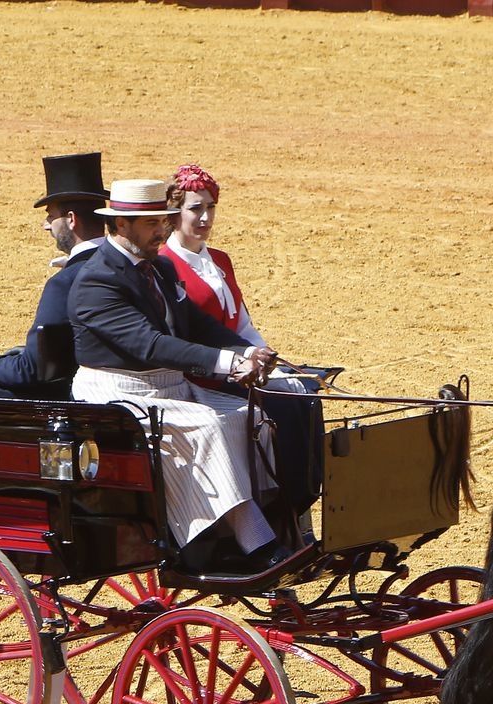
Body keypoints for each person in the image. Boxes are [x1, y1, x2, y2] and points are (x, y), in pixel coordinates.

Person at [67, 177, 287, 570]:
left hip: (168, 386)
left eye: (165, 220)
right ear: (121, 226)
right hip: (119, 395)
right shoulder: (97, 281)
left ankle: (251, 526)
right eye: (153, 223)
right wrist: (228, 364)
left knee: (250, 416)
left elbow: (196, 324)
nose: (163, 230)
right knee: (208, 426)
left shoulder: (161, 268)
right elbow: (150, 344)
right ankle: (244, 543)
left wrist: (247, 349)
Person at [158, 163, 323, 516]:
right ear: (175, 213)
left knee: (306, 394)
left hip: (243, 365)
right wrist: (239, 365)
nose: (205, 217)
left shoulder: (220, 260)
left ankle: (306, 492)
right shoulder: (164, 263)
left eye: (210, 207)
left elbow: (242, 323)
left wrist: (265, 359)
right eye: (195, 208)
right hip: (205, 376)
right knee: (280, 406)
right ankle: (285, 504)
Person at [0, 152, 109, 397]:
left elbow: (33, 371)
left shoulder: (66, 282)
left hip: (72, 401)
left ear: (71, 219)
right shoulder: (134, 264)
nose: (46, 225)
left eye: (50, 216)